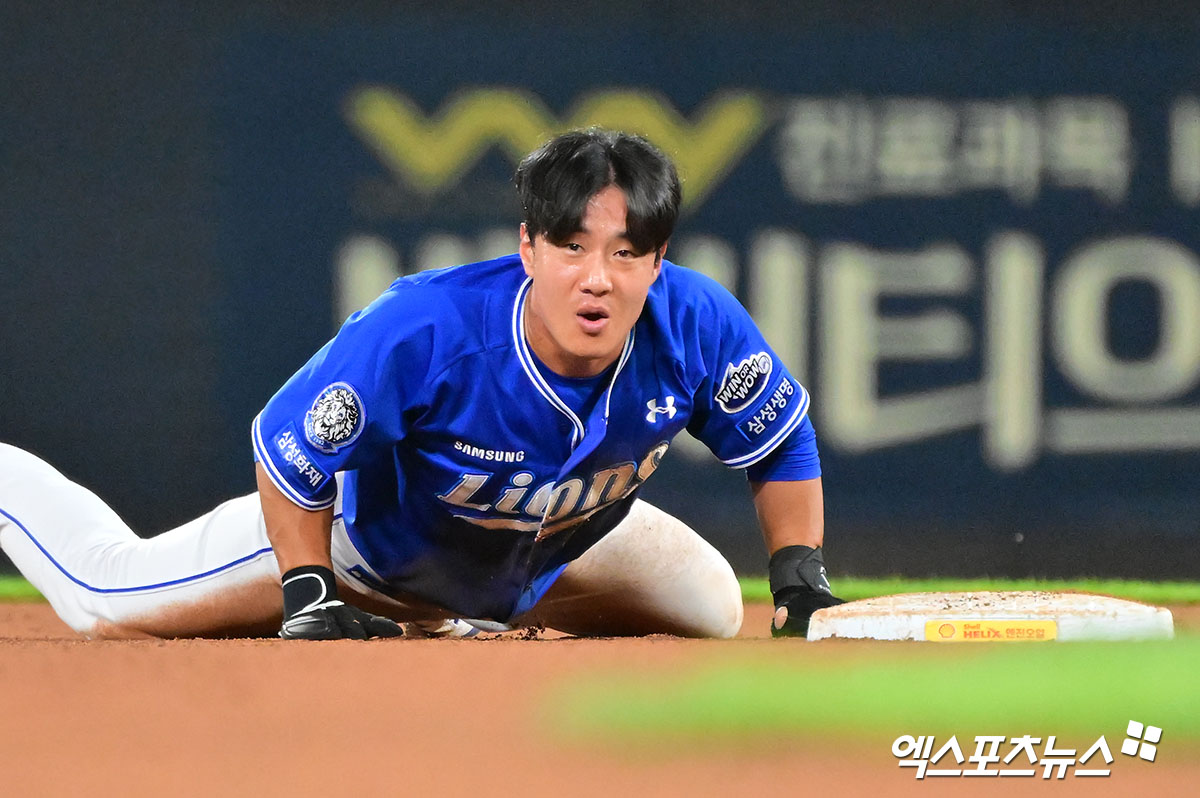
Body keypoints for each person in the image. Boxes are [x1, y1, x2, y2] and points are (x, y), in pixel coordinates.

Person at [0, 128, 843, 641]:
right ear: (528, 247)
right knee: (106, 596)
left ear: (658, 262)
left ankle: (474, 614)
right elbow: (292, 455)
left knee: (711, 608)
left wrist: (799, 574)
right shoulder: (428, 327)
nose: (598, 277)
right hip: (362, 552)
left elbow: (778, 442)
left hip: (562, 542)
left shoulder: (696, 321)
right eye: (572, 248)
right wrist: (307, 590)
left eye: (626, 253)